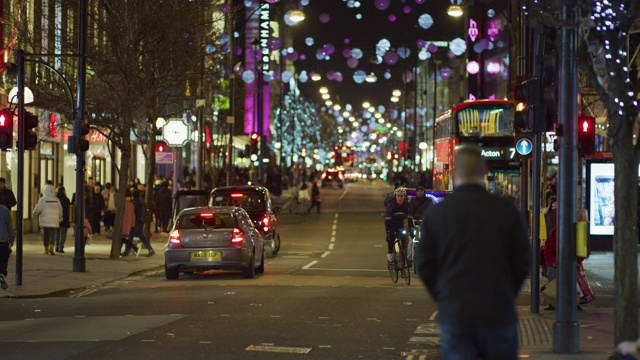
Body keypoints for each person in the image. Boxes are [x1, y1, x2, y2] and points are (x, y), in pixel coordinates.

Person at [416, 143, 530, 360]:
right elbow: (522, 262)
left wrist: (444, 296)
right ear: (484, 171)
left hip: (456, 312)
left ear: (452, 173)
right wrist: (506, 293)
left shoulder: (437, 215)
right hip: (498, 312)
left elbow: (424, 265)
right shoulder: (506, 211)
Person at [33, 184, 63, 255]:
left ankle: (46, 249)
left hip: (45, 220)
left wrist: (35, 212)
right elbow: (60, 209)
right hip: (54, 220)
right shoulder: (56, 200)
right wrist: (60, 217)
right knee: (53, 234)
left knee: (46, 234)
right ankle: (51, 247)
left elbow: (37, 209)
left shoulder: (42, 200)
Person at [384, 187, 412, 263]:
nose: (400, 198)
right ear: (395, 197)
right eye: (398, 196)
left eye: (402, 196)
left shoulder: (407, 205)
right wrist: (388, 232)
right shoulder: (391, 205)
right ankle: (390, 252)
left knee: (403, 237)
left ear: (404, 197)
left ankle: (403, 254)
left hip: (400, 223)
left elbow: (410, 219)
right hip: (391, 223)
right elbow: (388, 221)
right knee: (391, 238)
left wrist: (410, 228)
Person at [130, 190, 155, 257]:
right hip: (141, 221)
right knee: (142, 236)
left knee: (131, 236)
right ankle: (150, 249)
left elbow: (133, 213)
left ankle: (130, 250)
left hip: (135, 222)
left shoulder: (134, 203)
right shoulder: (142, 202)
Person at [120, 190, 140, 257]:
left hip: (123, 223)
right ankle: (123, 251)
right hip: (128, 224)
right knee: (123, 238)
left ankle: (135, 248)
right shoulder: (131, 204)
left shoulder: (123, 204)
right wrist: (133, 224)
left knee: (122, 238)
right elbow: (133, 215)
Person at [0, 204, 14, 290]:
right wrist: (11, 238)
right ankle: (1, 273)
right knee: (3, 259)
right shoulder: (4, 209)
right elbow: (9, 226)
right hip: (2, 240)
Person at [55, 186, 71, 253]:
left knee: (57, 233)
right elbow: (68, 210)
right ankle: (60, 247)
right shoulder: (66, 200)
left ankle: (57, 246)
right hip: (64, 219)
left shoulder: (55, 199)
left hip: (56, 218)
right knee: (63, 234)